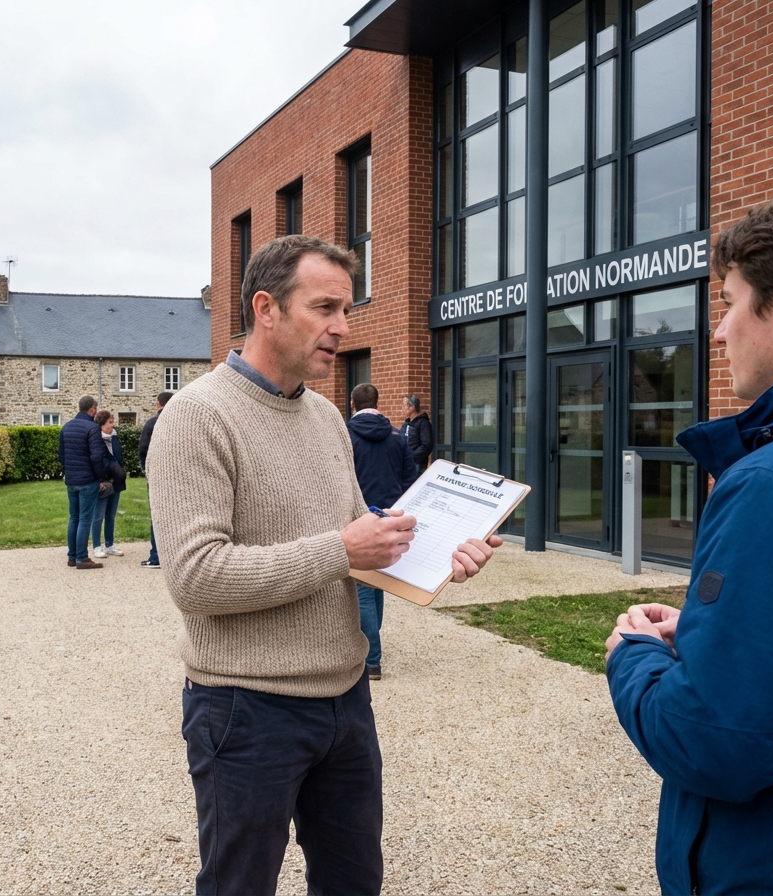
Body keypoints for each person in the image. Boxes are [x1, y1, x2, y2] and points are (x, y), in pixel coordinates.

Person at [149, 234, 501, 894]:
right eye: (326, 308)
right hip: (244, 709)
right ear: (267, 308)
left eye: (346, 309)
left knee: (354, 881)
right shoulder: (197, 417)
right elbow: (195, 578)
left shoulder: (326, 418)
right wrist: (342, 549)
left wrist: (438, 557)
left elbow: (360, 552)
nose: (344, 327)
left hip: (345, 702)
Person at [605, 182, 773, 896]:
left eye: (728, 302)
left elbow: (717, 745)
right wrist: (711, 634)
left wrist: (632, 658)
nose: (720, 331)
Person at [346, 383, 420, 681]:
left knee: (363, 586)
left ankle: (371, 660)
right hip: (390, 516)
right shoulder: (396, 437)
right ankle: (372, 649)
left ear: (353, 404)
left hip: (358, 517)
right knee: (376, 584)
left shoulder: (345, 436)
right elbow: (409, 479)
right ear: (378, 402)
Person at [56, 395, 106, 570]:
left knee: (74, 518)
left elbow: (61, 456)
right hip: (87, 480)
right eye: (95, 408)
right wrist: (100, 477)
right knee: (85, 519)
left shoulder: (66, 427)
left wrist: (70, 470)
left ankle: (72, 556)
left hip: (71, 479)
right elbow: (96, 457)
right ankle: (82, 558)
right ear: (91, 409)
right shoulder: (93, 428)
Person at [137, 391, 173, 569]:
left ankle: (156, 556)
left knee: (157, 515)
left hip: (158, 475)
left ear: (159, 404)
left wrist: (147, 469)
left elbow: (143, 449)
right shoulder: (180, 421)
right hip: (179, 476)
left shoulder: (152, 423)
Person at [90, 410, 127, 559]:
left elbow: (118, 458)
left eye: (113, 422)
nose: (112, 425)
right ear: (101, 424)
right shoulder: (95, 439)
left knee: (110, 516)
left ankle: (110, 545)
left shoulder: (115, 437)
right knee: (98, 516)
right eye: (109, 422)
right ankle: (97, 546)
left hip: (116, 481)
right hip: (103, 483)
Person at [400, 395, 433, 469]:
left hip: (417, 465)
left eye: (404, 405)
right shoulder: (406, 424)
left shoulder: (423, 423)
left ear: (412, 407)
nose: (402, 408)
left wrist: (411, 457)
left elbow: (426, 446)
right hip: (405, 464)